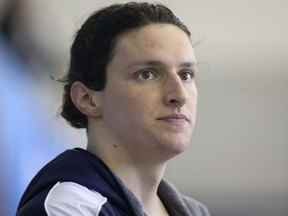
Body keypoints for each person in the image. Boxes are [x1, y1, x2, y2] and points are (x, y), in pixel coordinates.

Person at [17, 2, 210, 216]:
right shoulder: (68, 208)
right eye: (147, 74)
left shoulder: (195, 212)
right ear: (87, 99)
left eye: (186, 75)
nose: (179, 95)